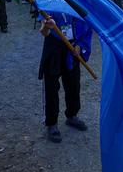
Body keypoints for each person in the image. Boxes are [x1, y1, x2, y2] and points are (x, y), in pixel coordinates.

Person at [39, 11, 91, 143]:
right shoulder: (48, 2)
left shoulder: (74, 0)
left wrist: (80, 46)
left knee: (73, 84)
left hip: (72, 48)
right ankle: (51, 123)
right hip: (54, 48)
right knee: (51, 88)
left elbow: (85, 26)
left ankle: (72, 115)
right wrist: (47, 26)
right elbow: (43, 32)